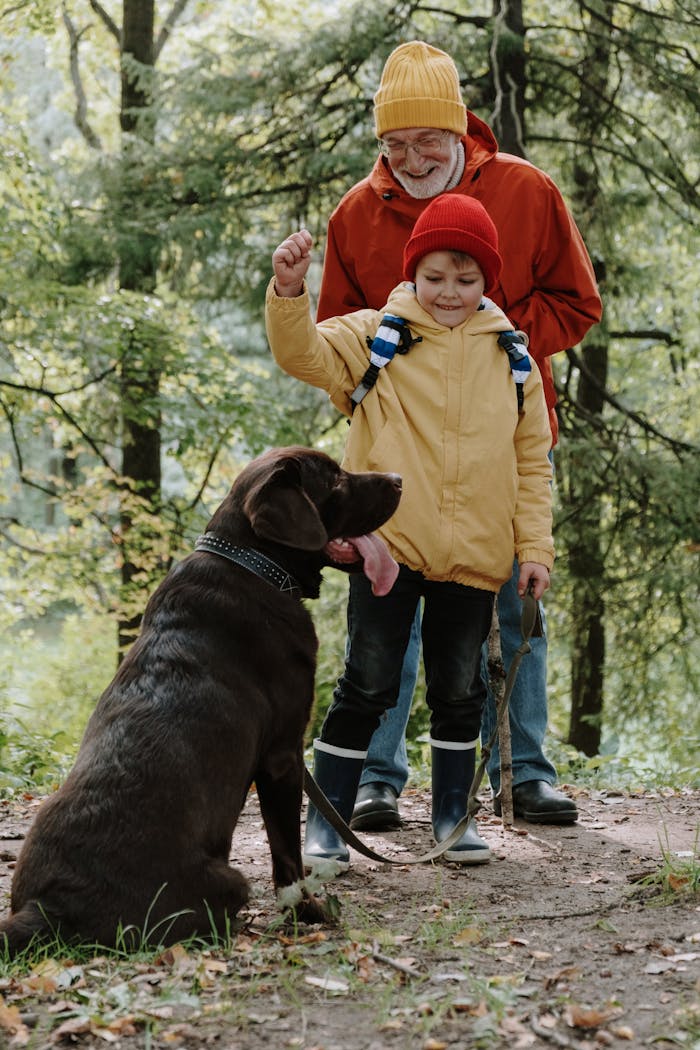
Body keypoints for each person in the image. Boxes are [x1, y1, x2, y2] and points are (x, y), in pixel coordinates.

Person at [316, 40, 603, 829]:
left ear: (458, 130)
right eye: (393, 143)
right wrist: (385, 380)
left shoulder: (526, 190)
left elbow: (578, 304)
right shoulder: (355, 213)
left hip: (501, 436)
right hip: (396, 454)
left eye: (426, 141)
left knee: (511, 599)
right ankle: (378, 779)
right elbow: (331, 335)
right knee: (389, 609)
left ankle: (523, 773)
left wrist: (492, 345)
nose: (410, 157)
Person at [266, 192, 555, 868]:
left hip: (476, 558)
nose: (449, 293)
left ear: (488, 280)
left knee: (461, 692)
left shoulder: (515, 360)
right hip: (387, 553)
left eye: (466, 279)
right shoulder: (378, 335)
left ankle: (453, 817)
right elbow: (302, 353)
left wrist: (534, 547)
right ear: (412, 274)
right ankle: (328, 820)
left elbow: (531, 464)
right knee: (367, 685)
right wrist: (288, 290)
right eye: (434, 278)